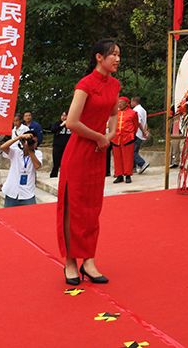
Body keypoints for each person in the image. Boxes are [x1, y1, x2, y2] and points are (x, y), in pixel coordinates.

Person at [57, 39, 121, 286]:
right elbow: (72, 122)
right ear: (98, 57)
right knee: (73, 206)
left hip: (98, 151)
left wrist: (111, 134)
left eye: (118, 55)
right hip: (79, 151)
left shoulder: (114, 85)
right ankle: (71, 261)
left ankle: (89, 260)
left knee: (93, 208)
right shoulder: (85, 85)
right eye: (112, 54)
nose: (117, 59)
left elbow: (115, 113)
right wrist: (99, 137)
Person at [0, 131, 42, 207]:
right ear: (23, 142)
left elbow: (37, 166)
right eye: (31, 142)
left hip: (27, 193)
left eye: (34, 142)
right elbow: (3, 147)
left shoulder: (37, 153)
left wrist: (30, 150)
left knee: (30, 218)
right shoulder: (16, 152)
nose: (33, 144)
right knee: (8, 217)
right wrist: (19, 137)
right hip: (11, 192)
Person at [111, 97, 138, 184]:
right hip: (116, 138)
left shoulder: (133, 113)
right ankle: (119, 175)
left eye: (121, 102)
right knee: (117, 158)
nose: (119, 104)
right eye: (118, 102)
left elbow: (135, 126)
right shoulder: (115, 113)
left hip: (127, 138)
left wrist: (131, 135)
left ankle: (128, 175)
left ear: (127, 103)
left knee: (128, 158)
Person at [49, 111, 71, 179]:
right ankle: (53, 176)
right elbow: (53, 130)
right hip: (57, 146)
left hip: (68, 147)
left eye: (65, 116)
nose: (64, 117)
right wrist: (61, 125)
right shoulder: (57, 123)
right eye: (62, 115)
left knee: (67, 164)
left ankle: (66, 177)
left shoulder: (72, 124)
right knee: (56, 163)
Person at [131, 97, 150, 174]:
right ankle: (133, 168)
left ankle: (142, 163)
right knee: (135, 150)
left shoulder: (136, 110)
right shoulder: (143, 110)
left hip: (137, 132)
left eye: (131, 102)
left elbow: (138, 122)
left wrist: (143, 131)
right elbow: (144, 122)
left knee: (132, 151)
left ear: (134, 102)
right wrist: (145, 131)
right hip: (140, 133)